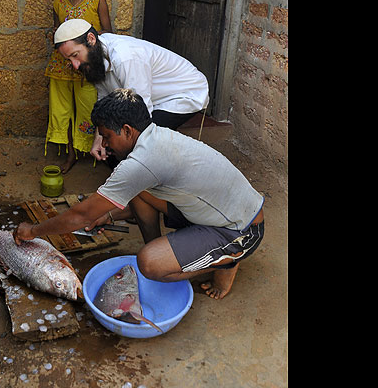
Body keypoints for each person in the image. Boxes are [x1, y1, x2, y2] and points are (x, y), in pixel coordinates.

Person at [15, 89, 265, 300]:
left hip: (240, 229)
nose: (103, 143)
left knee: (148, 264)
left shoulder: (141, 163)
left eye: (106, 135)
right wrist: (108, 217)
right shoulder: (154, 137)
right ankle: (169, 253)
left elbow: (80, 215)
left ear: (126, 130)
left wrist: (33, 231)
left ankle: (229, 258)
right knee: (139, 193)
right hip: (214, 211)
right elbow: (111, 206)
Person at [52, 18, 209, 164]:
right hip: (151, 97)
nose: (75, 65)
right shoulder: (94, 58)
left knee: (138, 145)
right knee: (112, 153)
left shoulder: (125, 56)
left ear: (91, 40)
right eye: (69, 60)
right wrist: (99, 138)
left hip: (184, 93)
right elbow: (104, 100)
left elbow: (140, 110)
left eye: (75, 55)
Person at [44, 0, 112, 174]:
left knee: (88, 109)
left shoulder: (97, 0)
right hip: (61, 68)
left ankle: (93, 148)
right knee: (62, 111)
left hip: (86, 69)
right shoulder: (58, 4)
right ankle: (71, 154)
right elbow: (56, 33)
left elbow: (108, 35)